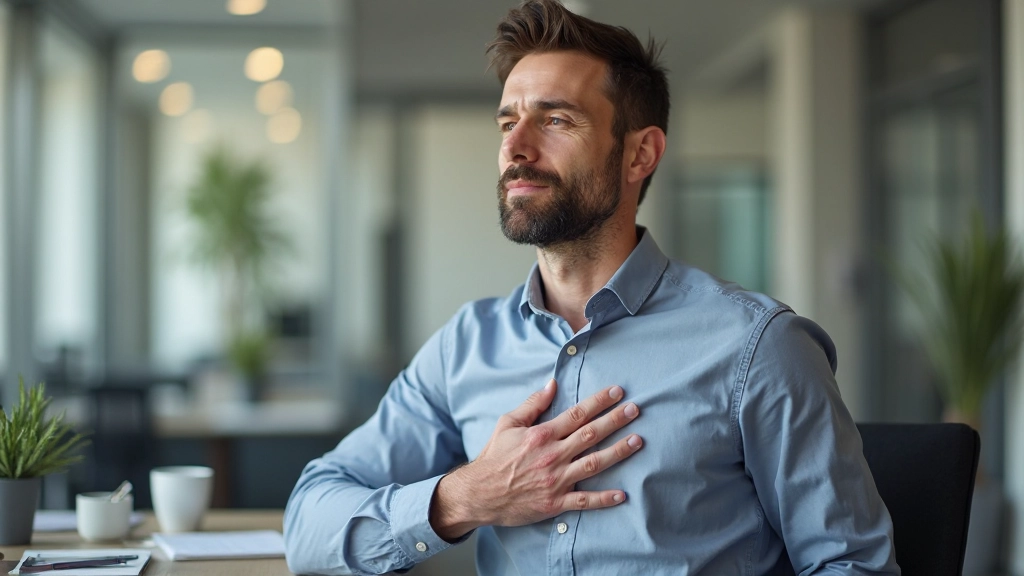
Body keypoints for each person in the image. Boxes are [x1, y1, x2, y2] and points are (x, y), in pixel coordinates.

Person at [284, 1, 900, 574]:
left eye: (555, 119)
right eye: (508, 122)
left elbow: (852, 564)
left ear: (640, 155)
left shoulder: (759, 347)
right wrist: (466, 496)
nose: (516, 149)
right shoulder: (466, 346)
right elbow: (309, 520)